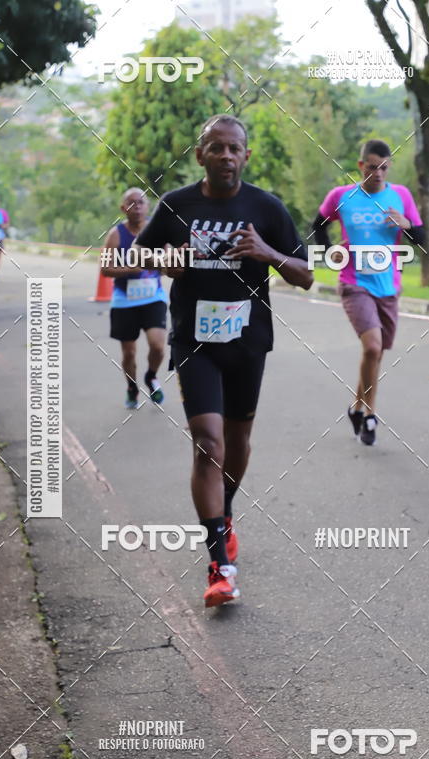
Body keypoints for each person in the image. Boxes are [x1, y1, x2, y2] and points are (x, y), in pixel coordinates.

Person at [133, 114, 313, 607]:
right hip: (195, 340)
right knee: (207, 443)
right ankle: (219, 563)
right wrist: (163, 260)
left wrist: (267, 252)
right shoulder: (176, 205)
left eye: (235, 148)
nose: (226, 156)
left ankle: (224, 511)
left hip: (248, 341)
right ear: (200, 154)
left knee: (237, 440)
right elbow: (137, 258)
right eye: (217, 148)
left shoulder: (266, 207)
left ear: (246, 156)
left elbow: (306, 276)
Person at [313, 139, 425, 446]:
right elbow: (318, 225)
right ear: (361, 166)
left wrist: (407, 225)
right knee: (373, 348)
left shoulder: (400, 196)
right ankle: (370, 415)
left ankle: (355, 406)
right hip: (354, 283)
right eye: (373, 167)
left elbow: (422, 238)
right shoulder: (342, 197)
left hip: (389, 286)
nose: (378, 173)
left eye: (384, 168)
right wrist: (330, 252)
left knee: (375, 354)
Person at [99, 187, 168, 408]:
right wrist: (131, 269)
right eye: (131, 203)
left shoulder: (157, 230)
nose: (136, 207)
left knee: (158, 347)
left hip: (153, 297)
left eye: (140, 202)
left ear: (148, 207)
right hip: (124, 301)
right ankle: (131, 387)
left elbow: (168, 261)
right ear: (123, 208)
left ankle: (151, 376)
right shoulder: (116, 234)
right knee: (129, 353)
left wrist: (166, 263)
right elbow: (105, 269)